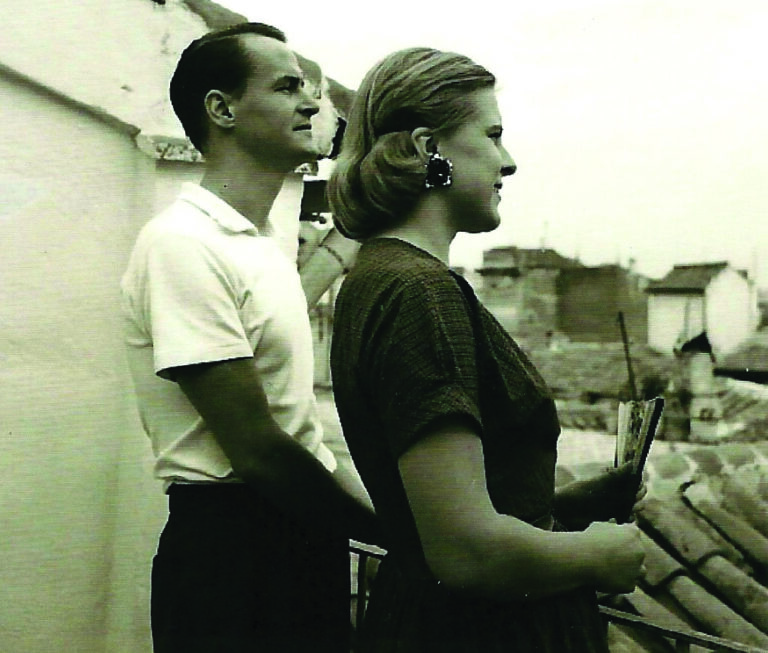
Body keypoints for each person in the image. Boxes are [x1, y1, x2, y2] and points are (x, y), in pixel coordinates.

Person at [327, 47, 646, 652]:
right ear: (428, 148)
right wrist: (595, 554)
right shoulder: (420, 292)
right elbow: (464, 551)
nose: (509, 161)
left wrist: (573, 503)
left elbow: (441, 510)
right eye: (492, 135)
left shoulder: (379, 276)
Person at [121, 22, 379, 653]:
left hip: (294, 536)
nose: (314, 104)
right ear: (222, 108)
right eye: (289, 87)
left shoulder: (256, 243)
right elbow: (259, 449)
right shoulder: (183, 243)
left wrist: (350, 231)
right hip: (232, 556)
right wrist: (401, 537)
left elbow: (283, 307)